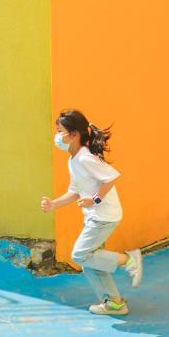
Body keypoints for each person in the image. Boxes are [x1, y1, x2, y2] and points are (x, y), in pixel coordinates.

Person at [40, 109, 143, 316]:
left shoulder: (85, 158)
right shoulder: (73, 160)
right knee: (90, 263)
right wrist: (54, 204)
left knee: (80, 255)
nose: (57, 136)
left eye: (60, 131)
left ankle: (129, 260)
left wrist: (95, 199)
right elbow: (75, 191)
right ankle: (115, 303)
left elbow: (111, 178)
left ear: (73, 135)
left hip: (104, 216)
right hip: (95, 217)